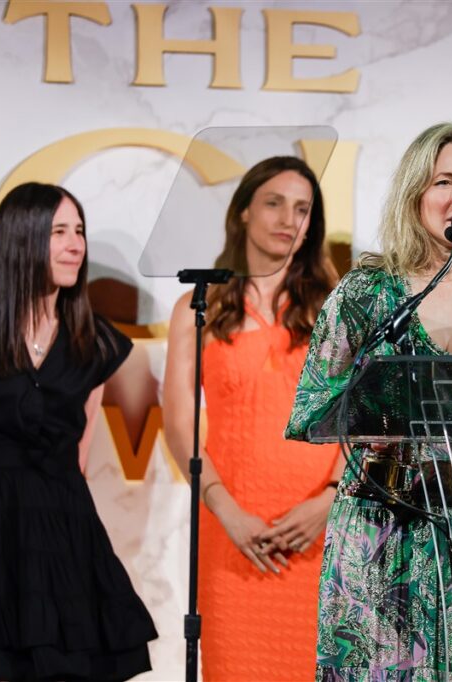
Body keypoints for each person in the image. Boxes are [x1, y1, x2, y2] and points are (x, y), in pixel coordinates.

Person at [285, 121, 452, 680]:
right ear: (414, 194)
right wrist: (375, 413)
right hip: (381, 528)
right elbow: (311, 409)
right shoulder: (366, 291)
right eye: (445, 181)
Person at [0, 182, 157, 680]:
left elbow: (77, 456)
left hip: (66, 534)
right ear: (21, 237)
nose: (76, 245)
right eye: (59, 231)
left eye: (79, 231)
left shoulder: (95, 343)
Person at [162, 156, 341, 681]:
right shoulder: (199, 307)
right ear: (243, 211)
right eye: (274, 203)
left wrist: (330, 501)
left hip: (322, 533)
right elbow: (179, 425)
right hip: (232, 532)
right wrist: (227, 512)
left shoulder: (336, 307)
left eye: (302, 209)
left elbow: (363, 418)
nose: (289, 219)